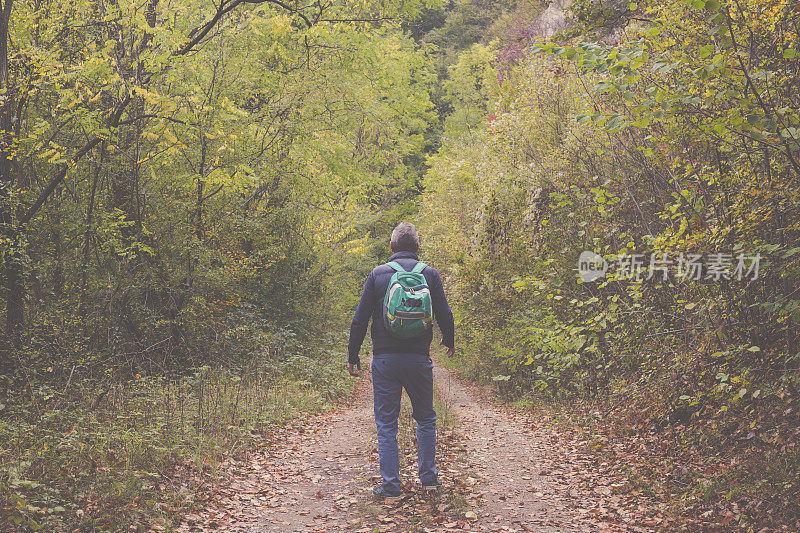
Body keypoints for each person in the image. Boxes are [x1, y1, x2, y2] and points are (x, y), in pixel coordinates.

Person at [347, 221, 455, 501]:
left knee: (386, 424)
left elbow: (359, 320)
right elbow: (444, 313)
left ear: (392, 246)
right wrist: (449, 340)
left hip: (384, 359)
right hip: (419, 359)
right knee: (426, 418)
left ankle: (391, 487)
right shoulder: (429, 274)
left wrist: (353, 355)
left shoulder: (378, 274)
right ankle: (429, 481)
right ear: (418, 247)